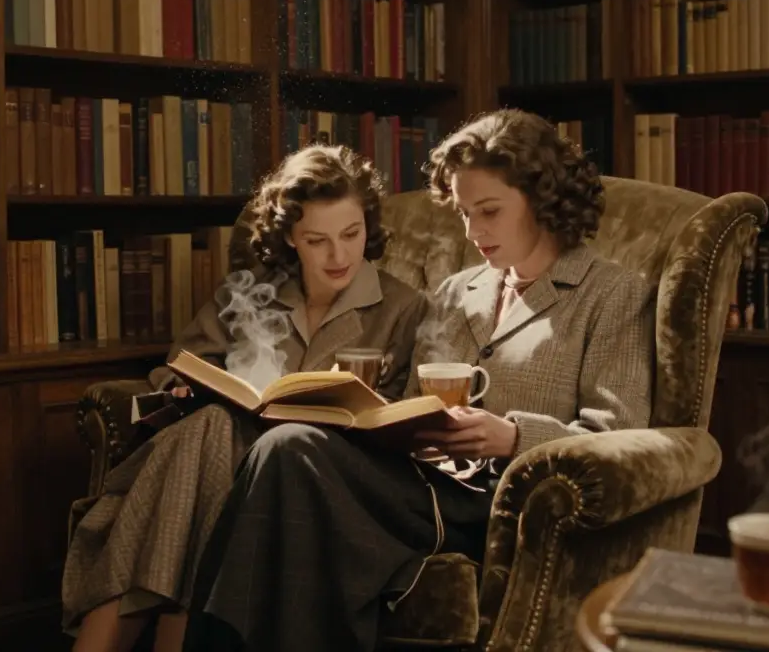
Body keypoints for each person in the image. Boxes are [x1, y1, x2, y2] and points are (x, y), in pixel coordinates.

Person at [181, 108, 657, 652]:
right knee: (285, 446)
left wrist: (513, 436)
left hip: (501, 500)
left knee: (291, 460)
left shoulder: (611, 293)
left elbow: (621, 435)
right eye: (463, 213)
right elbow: (411, 405)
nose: (473, 232)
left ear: (542, 198)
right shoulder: (457, 291)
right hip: (421, 482)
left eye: (490, 211)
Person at [62, 143, 430, 652]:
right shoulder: (252, 291)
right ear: (291, 240)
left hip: (303, 473)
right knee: (209, 429)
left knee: (193, 462)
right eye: (316, 240)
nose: (339, 255)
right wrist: (184, 387)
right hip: (211, 464)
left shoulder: (403, 307)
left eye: (351, 234)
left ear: (368, 225)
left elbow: (394, 416)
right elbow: (177, 367)